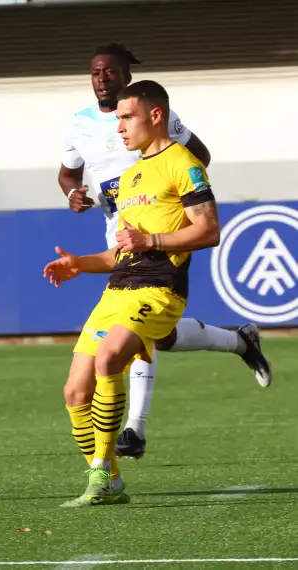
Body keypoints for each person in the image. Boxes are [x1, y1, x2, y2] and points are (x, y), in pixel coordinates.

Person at [57, 43, 271, 460]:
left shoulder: (157, 117)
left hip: (157, 223)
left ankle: (132, 430)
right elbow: (68, 175)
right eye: (96, 72)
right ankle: (240, 342)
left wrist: (166, 193)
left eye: (111, 72)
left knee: (130, 334)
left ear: (126, 77)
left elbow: (198, 159)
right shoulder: (76, 123)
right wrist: (76, 194)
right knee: (162, 335)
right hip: (117, 230)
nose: (102, 78)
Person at [44, 79, 224, 506]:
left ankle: (99, 473)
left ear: (155, 115)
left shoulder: (185, 163)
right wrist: (79, 264)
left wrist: (153, 242)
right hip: (118, 289)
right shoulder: (130, 176)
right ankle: (114, 483)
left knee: (110, 358)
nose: (119, 126)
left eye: (127, 117)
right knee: (74, 393)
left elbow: (209, 230)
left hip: (160, 289)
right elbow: (121, 251)